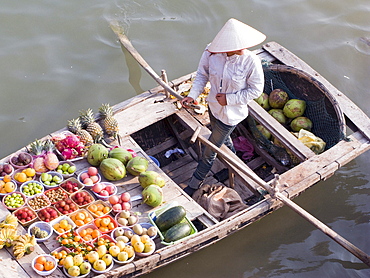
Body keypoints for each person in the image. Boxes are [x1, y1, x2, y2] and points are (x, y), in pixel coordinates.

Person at [181, 18, 266, 197]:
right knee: (223, 142)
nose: (243, 48)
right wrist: (192, 95)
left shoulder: (251, 61)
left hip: (232, 115)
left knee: (210, 150)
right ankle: (234, 162)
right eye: (238, 45)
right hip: (213, 107)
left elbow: (256, 90)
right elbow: (201, 76)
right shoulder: (211, 53)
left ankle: (195, 183)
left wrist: (230, 99)